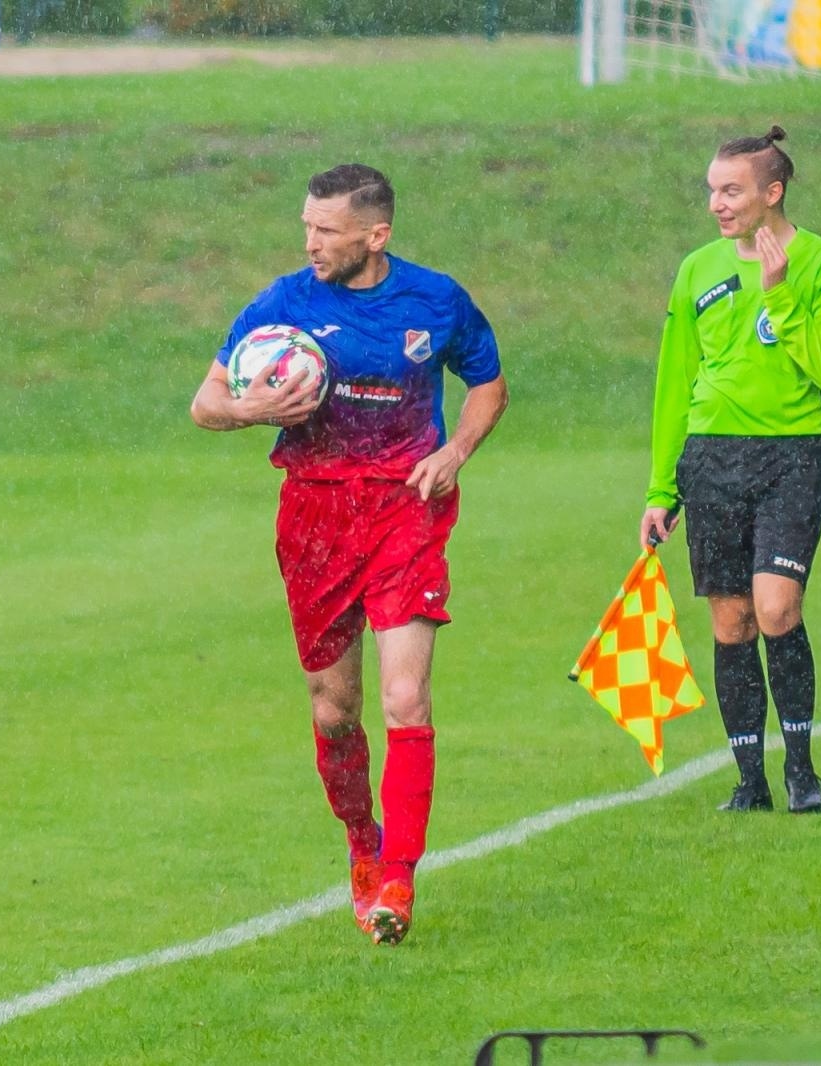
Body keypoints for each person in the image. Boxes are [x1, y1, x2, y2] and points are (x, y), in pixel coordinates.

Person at [190, 163, 509, 945]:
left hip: (408, 509)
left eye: (326, 231)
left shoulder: (435, 299)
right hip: (315, 518)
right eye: (306, 225)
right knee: (336, 710)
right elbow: (204, 404)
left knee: (407, 699)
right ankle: (362, 840)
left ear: (377, 234)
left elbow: (488, 383)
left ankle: (398, 876)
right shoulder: (284, 303)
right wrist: (250, 407)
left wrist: (457, 451)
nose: (311, 242)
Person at [640, 126, 821, 815]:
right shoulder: (696, 269)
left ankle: (801, 769)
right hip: (712, 456)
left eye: (730, 190)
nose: (716, 204)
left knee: (776, 608)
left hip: (794, 453)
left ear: (773, 192)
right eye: (711, 190)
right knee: (731, 622)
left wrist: (779, 295)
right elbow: (676, 383)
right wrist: (661, 488)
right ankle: (749, 782)